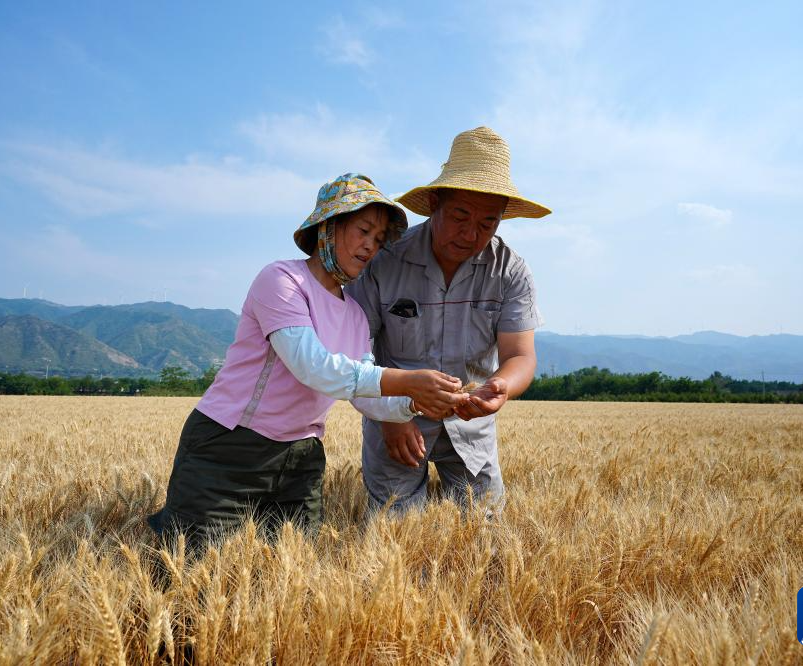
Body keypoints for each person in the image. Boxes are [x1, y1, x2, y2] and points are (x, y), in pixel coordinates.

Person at [147, 173, 468, 547]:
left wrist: (424, 402)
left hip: (301, 459)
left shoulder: (355, 314)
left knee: (287, 572)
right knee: (195, 569)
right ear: (327, 228)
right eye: (363, 230)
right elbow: (312, 367)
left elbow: (364, 394)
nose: (370, 247)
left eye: (379, 240)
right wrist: (408, 381)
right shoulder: (282, 280)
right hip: (230, 447)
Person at [345, 127, 551, 514]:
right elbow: (355, 353)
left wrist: (501, 387)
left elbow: (520, 356)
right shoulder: (383, 261)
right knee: (398, 539)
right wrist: (389, 416)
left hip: (471, 430)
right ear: (435, 202)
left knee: (486, 542)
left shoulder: (510, 271)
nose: (471, 234)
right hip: (396, 422)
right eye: (460, 216)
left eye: (487, 223)